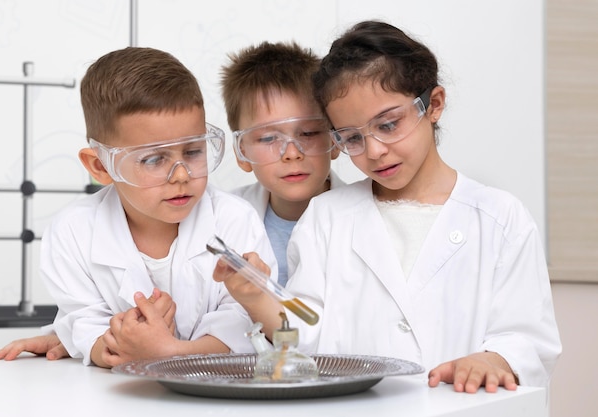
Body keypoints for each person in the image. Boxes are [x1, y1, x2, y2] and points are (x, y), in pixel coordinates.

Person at [214, 20, 562, 393]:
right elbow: (305, 333)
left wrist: (495, 359)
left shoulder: (500, 217)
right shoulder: (327, 217)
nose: (375, 150)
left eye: (389, 124)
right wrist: (256, 298)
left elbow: (528, 339)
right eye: (351, 138)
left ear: (434, 105)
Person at [0, 46, 277, 368]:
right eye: (153, 159)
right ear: (100, 166)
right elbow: (85, 325)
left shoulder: (235, 219)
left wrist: (167, 355)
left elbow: (244, 320)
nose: (181, 175)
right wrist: (120, 345)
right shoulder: (72, 232)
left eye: (194, 151)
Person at [220, 41, 343, 286]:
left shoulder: (364, 216)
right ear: (241, 152)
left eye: (308, 133)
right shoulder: (224, 219)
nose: (291, 153)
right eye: (268, 138)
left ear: (336, 138)